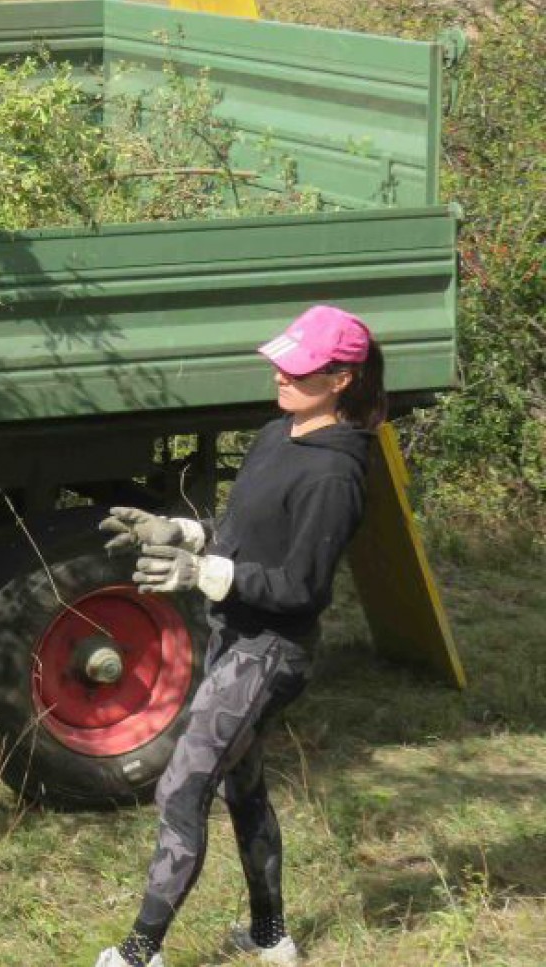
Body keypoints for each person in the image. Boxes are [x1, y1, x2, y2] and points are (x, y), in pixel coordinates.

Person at [93, 305, 387, 967]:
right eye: (283, 359)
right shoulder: (277, 432)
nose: (280, 373)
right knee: (241, 782)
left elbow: (301, 588)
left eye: (299, 367)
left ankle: (140, 952)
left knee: (182, 785)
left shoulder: (335, 475)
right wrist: (182, 533)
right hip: (235, 638)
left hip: (270, 653)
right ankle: (269, 935)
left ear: (341, 378)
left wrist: (202, 572)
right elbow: (242, 532)